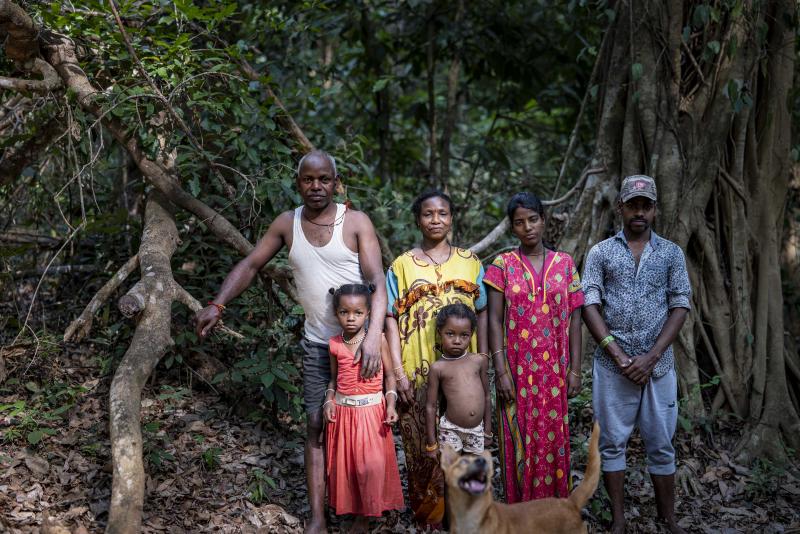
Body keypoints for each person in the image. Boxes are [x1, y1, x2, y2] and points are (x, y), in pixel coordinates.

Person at [194, 150, 387, 534]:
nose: (316, 187)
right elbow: (252, 264)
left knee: (361, 427)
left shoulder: (357, 223)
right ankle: (318, 517)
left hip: (357, 346)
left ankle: (362, 515)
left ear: (336, 182)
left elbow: (378, 282)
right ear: (297, 183)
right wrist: (218, 303)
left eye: (324, 180)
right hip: (319, 344)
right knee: (316, 424)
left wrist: (372, 338)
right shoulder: (287, 223)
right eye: (308, 180)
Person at [582, 175, 691, 534]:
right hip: (612, 368)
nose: (639, 212)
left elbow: (679, 304)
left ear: (655, 210)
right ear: (621, 208)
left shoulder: (671, 253)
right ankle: (618, 520)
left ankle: (668, 518)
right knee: (612, 443)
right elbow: (589, 303)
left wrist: (651, 356)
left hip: (657, 368)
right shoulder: (601, 252)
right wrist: (617, 354)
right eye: (633, 205)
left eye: (646, 205)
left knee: (661, 444)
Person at [384, 189, 488, 528]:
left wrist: (484, 357)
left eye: (442, 213)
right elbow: (389, 319)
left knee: (469, 446)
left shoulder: (471, 262)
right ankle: (431, 519)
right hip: (416, 373)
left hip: (465, 376)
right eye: (428, 214)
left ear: (452, 218)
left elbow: (483, 313)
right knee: (423, 448)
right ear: (417, 219)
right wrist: (398, 372)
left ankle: (468, 518)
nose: (435, 220)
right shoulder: (400, 266)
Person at [485, 191, 584, 503]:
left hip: (554, 375)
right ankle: (521, 514)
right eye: (519, 222)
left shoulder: (565, 265)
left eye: (532, 219)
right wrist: (500, 371)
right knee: (519, 444)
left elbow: (576, 321)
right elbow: (494, 320)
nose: (527, 227)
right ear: (512, 227)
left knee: (553, 444)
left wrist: (576, 370)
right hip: (516, 376)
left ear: (543, 220)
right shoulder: (503, 265)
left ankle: (553, 514)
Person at [322, 284, 404, 533]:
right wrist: (328, 400)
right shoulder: (334, 344)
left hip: (371, 414)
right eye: (344, 312)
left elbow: (390, 376)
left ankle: (366, 517)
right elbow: (333, 380)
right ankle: (355, 510)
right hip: (344, 415)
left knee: (369, 465)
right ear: (336, 314)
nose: (350, 318)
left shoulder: (377, 340)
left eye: (358, 313)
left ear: (369, 313)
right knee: (349, 466)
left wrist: (391, 403)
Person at [424, 303, 492, 458]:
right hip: (450, 430)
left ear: (472, 334)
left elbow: (487, 396)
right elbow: (431, 406)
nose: (457, 340)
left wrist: (487, 430)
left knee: (471, 473)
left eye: (464, 335)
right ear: (439, 332)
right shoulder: (438, 368)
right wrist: (431, 443)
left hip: (477, 431)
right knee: (451, 474)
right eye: (450, 334)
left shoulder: (478, 361)